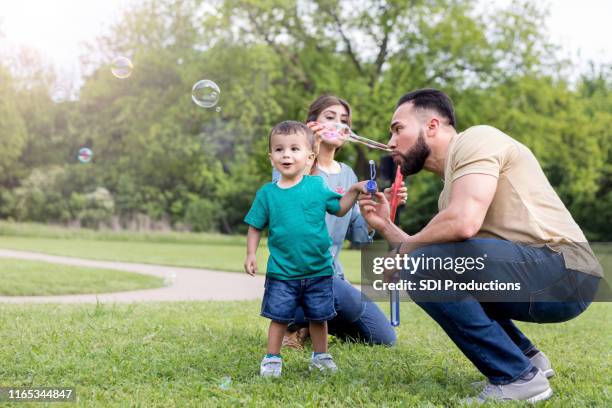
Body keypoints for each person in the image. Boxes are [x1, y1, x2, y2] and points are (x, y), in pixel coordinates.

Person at [359, 89, 602, 403]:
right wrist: (384, 225)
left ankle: (516, 378)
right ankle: (526, 360)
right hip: (553, 278)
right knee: (437, 266)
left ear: (432, 126)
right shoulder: (451, 192)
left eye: (397, 129)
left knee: (424, 264)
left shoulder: (477, 140)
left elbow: (461, 224)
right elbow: (431, 250)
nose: (390, 142)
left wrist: (405, 255)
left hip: (566, 272)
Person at [272, 95, 406, 349]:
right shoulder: (289, 163)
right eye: (330, 118)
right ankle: (296, 322)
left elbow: (357, 234)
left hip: (333, 279)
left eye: (344, 121)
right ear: (311, 125)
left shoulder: (347, 174)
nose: (338, 125)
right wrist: (309, 150)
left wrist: (376, 214)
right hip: (297, 275)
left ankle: (310, 324)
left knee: (383, 338)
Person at [244, 120, 370, 377]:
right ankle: (272, 358)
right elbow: (255, 226)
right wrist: (250, 254)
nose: (286, 154)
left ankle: (320, 356)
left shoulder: (316, 187)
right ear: (271, 158)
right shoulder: (267, 194)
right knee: (278, 317)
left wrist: (355, 190)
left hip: (319, 270)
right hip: (282, 272)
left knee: (319, 317)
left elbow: (340, 208)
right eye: (279, 150)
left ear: (310, 157)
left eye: (294, 149)